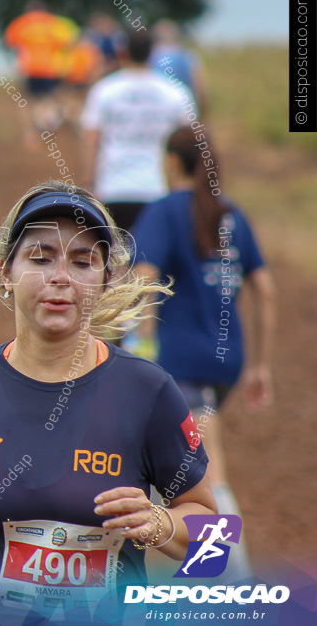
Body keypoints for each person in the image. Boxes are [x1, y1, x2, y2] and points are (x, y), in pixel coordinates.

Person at [0, 180, 217, 623]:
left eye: (83, 262)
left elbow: (215, 540)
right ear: (6, 271)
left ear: (105, 280)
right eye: (40, 258)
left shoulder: (148, 390)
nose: (60, 278)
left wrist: (160, 523)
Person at [131, 125, 275, 579]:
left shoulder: (164, 210)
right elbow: (266, 291)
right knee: (184, 464)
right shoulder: (233, 214)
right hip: (226, 363)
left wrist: (142, 351)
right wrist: (261, 366)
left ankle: (228, 575)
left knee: (204, 471)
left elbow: (143, 280)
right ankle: (196, 572)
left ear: (172, 163)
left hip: (179, 363)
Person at [81, 31, 189, 232]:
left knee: (114, 257)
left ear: (123, 51)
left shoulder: (104, 90)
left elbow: (91, 137)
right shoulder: (175, 92)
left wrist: (89, 183)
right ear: (152, 53)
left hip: (112, 189)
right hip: (158, 189)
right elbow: (188, 140)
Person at [4, 0, 78, 145]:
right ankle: (48, 128)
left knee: (29, 101)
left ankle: (32, 133)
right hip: (49, 67)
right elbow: (67, 41)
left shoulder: (21, 22)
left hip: (29, 68)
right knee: (48, 98)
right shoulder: (52, 23)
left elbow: (10, 41)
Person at [149, 19, 208, 119]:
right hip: (185, 108)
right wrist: (202, 113)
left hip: (157, 111)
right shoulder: (188, 56)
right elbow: (199, 87)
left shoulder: (151, 57)